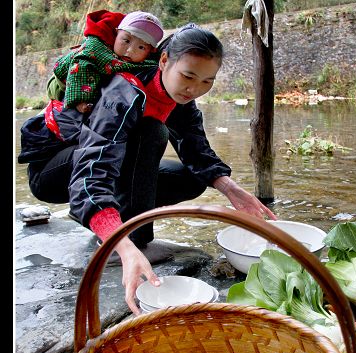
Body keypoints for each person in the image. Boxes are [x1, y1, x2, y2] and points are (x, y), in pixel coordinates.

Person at [18, 23, 277, 316]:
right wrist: (126, 247)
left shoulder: (181, 99)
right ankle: (130, 239)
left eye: (207, 81)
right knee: (151, 132)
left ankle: (115, 226)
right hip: (55, 172)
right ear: (164, 61)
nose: (194, 89)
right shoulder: (123, 92)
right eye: (188, 76)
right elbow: (92, 170)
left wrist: (232, 191)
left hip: (93, 166)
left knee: (193, 179)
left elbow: (197, 151)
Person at [47, 10, 164, 113]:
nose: (130, 51)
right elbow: (81, 67)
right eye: (126, 40)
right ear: (116, 33)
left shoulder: (148, 64)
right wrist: (80, 102)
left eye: (141, 47)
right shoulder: (96, 48)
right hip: (62, 83)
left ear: (149, 52)